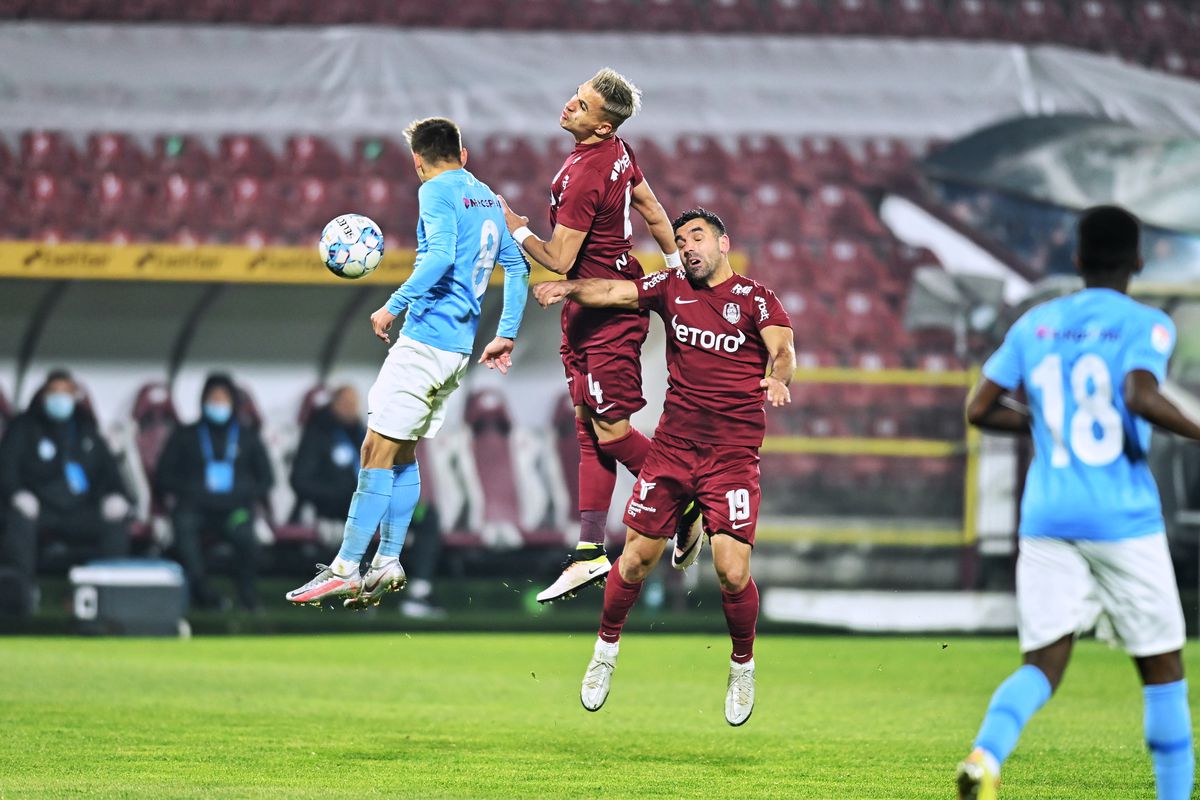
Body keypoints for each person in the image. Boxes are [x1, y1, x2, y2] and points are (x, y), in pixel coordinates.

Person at [956, 205, 1196, 800]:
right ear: (1138, 261)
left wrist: (1046, 425)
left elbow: (979, 409)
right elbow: (1140, 394)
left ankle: (985, 757)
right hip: (1122, 517)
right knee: (1162, 671)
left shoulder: (1036, 324)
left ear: (1079, 259)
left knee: (1042, 663)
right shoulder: (1148, 323)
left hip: (1046, 517)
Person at [533, 208, 795, 726]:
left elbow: (782, 349)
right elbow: (616, 293)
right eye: (680, 239)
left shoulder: (757, 298)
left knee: (731, 570)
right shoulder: (670, 286)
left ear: (724, 243)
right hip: (673, 449)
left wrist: (778, 377)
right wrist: (570, 289)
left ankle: (742, 663)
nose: (688, 245)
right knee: (631, 563)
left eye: (698, 236)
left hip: (732, 457)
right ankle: (604, 652)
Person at [286, 117, 529, 608]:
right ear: (463, 152)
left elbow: (438, 257)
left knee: (374, 451)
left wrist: (392, 304)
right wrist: (504, 334)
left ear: (418, 161)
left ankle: (345, 568)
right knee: (401, 453)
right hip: (456, 351)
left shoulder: (434, 191)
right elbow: (519, 266)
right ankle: (388, 560)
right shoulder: (486, 197)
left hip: (424, 343)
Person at [499, 67, 693, 604]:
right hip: (586, 311)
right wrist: (674, 266)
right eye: (575, 97)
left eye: (581, 106)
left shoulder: (588, 171)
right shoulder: (617, 152)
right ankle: (589, 552)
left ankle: (682, 501)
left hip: (606, 311)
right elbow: (652, 208)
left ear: (604, 127)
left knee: (610, 431)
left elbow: (559, 259)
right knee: (589, 430)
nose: (569, 106)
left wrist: (515, 228)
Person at [289, 384, 444, 617]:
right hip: (340, 508)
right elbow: (300, 481)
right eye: (345, 402)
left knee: (426, 515)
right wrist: (339, 495)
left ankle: (419, 592)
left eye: (355, 403)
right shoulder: (317, 436)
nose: (351, 408)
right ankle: (360, 595)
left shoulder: (364, 433)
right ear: (332, 404)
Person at [0, 370, 131, 615]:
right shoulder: (24, 427)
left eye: (66, 393)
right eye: (54, 393)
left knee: (115, 524)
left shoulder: (86, 429)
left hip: (80, 510)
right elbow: (6, 468)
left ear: (75, 396)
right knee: (18, 522)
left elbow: (110, 474)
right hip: (40, 508)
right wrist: (17, 493)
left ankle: (111, 598)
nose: (60, 399)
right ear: (43, 395)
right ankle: (20, 596)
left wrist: (116, 495)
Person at [156, 373, 274, 611]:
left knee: (245, 535)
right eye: (212, 398)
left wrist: (243, 493)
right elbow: (163, 477)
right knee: (184, 527)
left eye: (223, 398)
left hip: (234, 510)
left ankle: (246, 593)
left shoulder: (248, 436)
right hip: (195, 509)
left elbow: (267, 479)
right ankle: (201, 591)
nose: (217, 404)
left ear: (233, 402)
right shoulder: (185, 435)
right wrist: (191, 490)